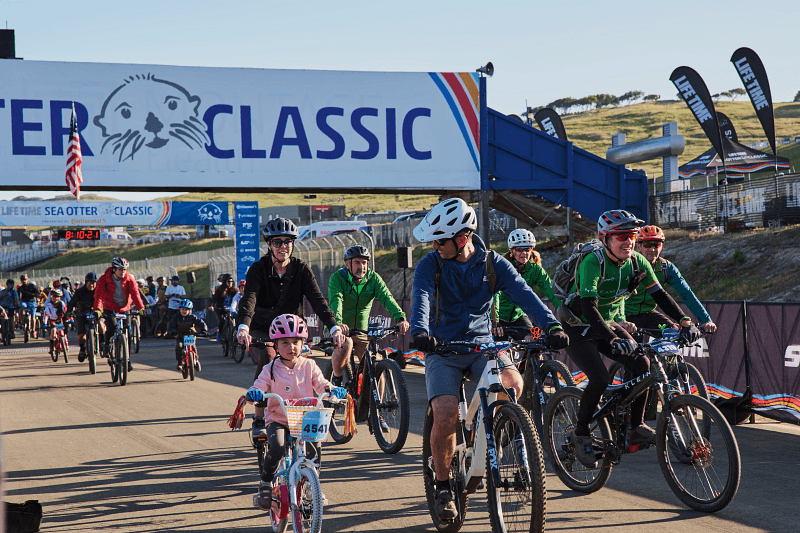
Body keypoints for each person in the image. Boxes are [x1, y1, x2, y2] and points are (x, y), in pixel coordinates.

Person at [409, 198, 569, 520]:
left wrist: (551, 324)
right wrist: (420, 331)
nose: (435, 245)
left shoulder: (493, 263)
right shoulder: (431, 264)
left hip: (483, 344)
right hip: (442, 348)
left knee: (514, 383)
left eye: (440, 240)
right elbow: (422, 298)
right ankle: (442, 486)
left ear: (462, 239)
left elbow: (525, 294)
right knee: (444, 413)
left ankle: (495, 429)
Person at [556, 210, 701, 469]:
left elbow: (661, 296)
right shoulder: (593, 261)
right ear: (604, 238)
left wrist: (684, 321)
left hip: (608, 323)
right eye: (621, 236)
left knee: (643, 365)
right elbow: (589, 308)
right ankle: (580, 432)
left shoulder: (637, 261)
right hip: (579, 326)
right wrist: (613, 339)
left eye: (632, 236)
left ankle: (634, 426)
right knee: (600, 379)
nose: (629, 241)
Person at [243, 314, 347, 510]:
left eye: (296, 342)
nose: (291, 347)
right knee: (277, 447)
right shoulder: (270, 368)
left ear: (303, 343)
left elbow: (321, 383)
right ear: (275, 344)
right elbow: (259, 384)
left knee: (314, 449)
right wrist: (255, 392)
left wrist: (331, 389)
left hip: (304, 418)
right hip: (279, 419)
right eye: (285, 343)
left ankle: (310, 484)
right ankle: (265, 483)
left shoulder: (309, 365)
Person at [236, 217, 345, 382]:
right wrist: (243, 327)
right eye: (277, 242)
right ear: (269, 245)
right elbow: (249, 300)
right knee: (269, 357)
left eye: (288, 241)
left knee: (300, 370)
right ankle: (260, 399)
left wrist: (334, 328)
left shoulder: (302, 269)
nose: (283, 247)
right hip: (263, 329)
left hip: (292, 331)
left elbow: (317, 301)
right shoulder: (258, 269)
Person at [328, 244, 409, 387]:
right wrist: (338, 324)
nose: (362, 267)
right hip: (339, 329)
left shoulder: (373, 278)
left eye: (364, 263)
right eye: (357, 262)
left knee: (376, 366)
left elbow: (387, 298)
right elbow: (336, 301)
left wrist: (400, 318)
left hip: (361, 330)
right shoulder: (337, 278)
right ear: (347, 264)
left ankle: (378, 407)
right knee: (346, 344)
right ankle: (337, 380)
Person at [625, 225, 717, 336]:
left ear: (662, 247)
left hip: (649, 314)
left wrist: (706, 320)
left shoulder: (666, 267)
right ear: (638, 247)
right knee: (633, 350)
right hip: (625, 316)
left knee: (674, 335)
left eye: (656, 245)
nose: (652, 249)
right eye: (647, 245)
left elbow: (686, 294)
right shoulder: (627, 265)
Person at [493, 228, 558, 338]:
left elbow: (551, 291)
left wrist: (566, 314)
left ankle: (534, 356)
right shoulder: (502, 267)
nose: (524, 253)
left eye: (527, 249)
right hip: (499, 316)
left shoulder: (535, 270)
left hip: (519, 316)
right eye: (519, 249)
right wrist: (495, 320)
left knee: (534, 341)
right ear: (512, 251)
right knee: (499, 349)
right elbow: (495, 294)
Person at [94, 257, 147, 371]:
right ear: (114, 269)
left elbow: (135, 294)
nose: (123, 272)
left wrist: (140, 307)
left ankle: (127, 360)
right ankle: (107, 345)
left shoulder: (129, 279)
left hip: (124, 308)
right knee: (112, 327)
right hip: (110, 308)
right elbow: (99, 295)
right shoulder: (104, 279)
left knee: (126, 332)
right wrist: (98, 309)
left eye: (125, 269)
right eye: (120, 269)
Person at [168, 299, 208, 370]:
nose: (184, 311)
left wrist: (203, 330)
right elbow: (172, 325)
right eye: (182, 309)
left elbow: (200, 322)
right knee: (179, 347)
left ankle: (196, 360)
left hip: (190, 335)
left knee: (193, 347)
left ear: (190, 310)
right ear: (179, 309)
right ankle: (180, 363)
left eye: (186, 310)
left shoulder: (192, 317)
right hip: (180, 335)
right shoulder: (176, 317)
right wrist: (173, 332)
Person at [67, 272, 99, 360]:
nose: (92, 285)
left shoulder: (99, 291)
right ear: (86, 282)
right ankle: (82, 349)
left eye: (94, 283)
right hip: (82, 314)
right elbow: (71, 303)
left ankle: (103, 343)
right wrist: (69, 312)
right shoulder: (79, 292)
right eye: (90, 283)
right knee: (81, 336)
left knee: (102, 327)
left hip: (96, 313)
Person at [209, 273, 237, 344]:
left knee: (236, 320)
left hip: (231, 308)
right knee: (222, 320)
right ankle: (220, 333)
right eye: (228, 281)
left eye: (231, 281)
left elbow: (238, 299)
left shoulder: (234, 290)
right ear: (225, 282)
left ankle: (236, 334)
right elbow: (214, 299)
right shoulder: (220, 290)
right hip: (221, 308)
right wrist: (213, 305)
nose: (230, 283)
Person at [44, 288, 67, 356]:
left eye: (56, 297)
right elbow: (46, 314)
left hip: (59, 319)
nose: (54, 298)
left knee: (62, 333)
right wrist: (45, 323)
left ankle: (62, 344)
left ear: (59, 297)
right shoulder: (49, 305)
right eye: (52, 296)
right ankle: (52, 347)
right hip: (52, 320)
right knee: (53, 333)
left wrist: (70, 318)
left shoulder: (62, 303)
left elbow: (66, 311)